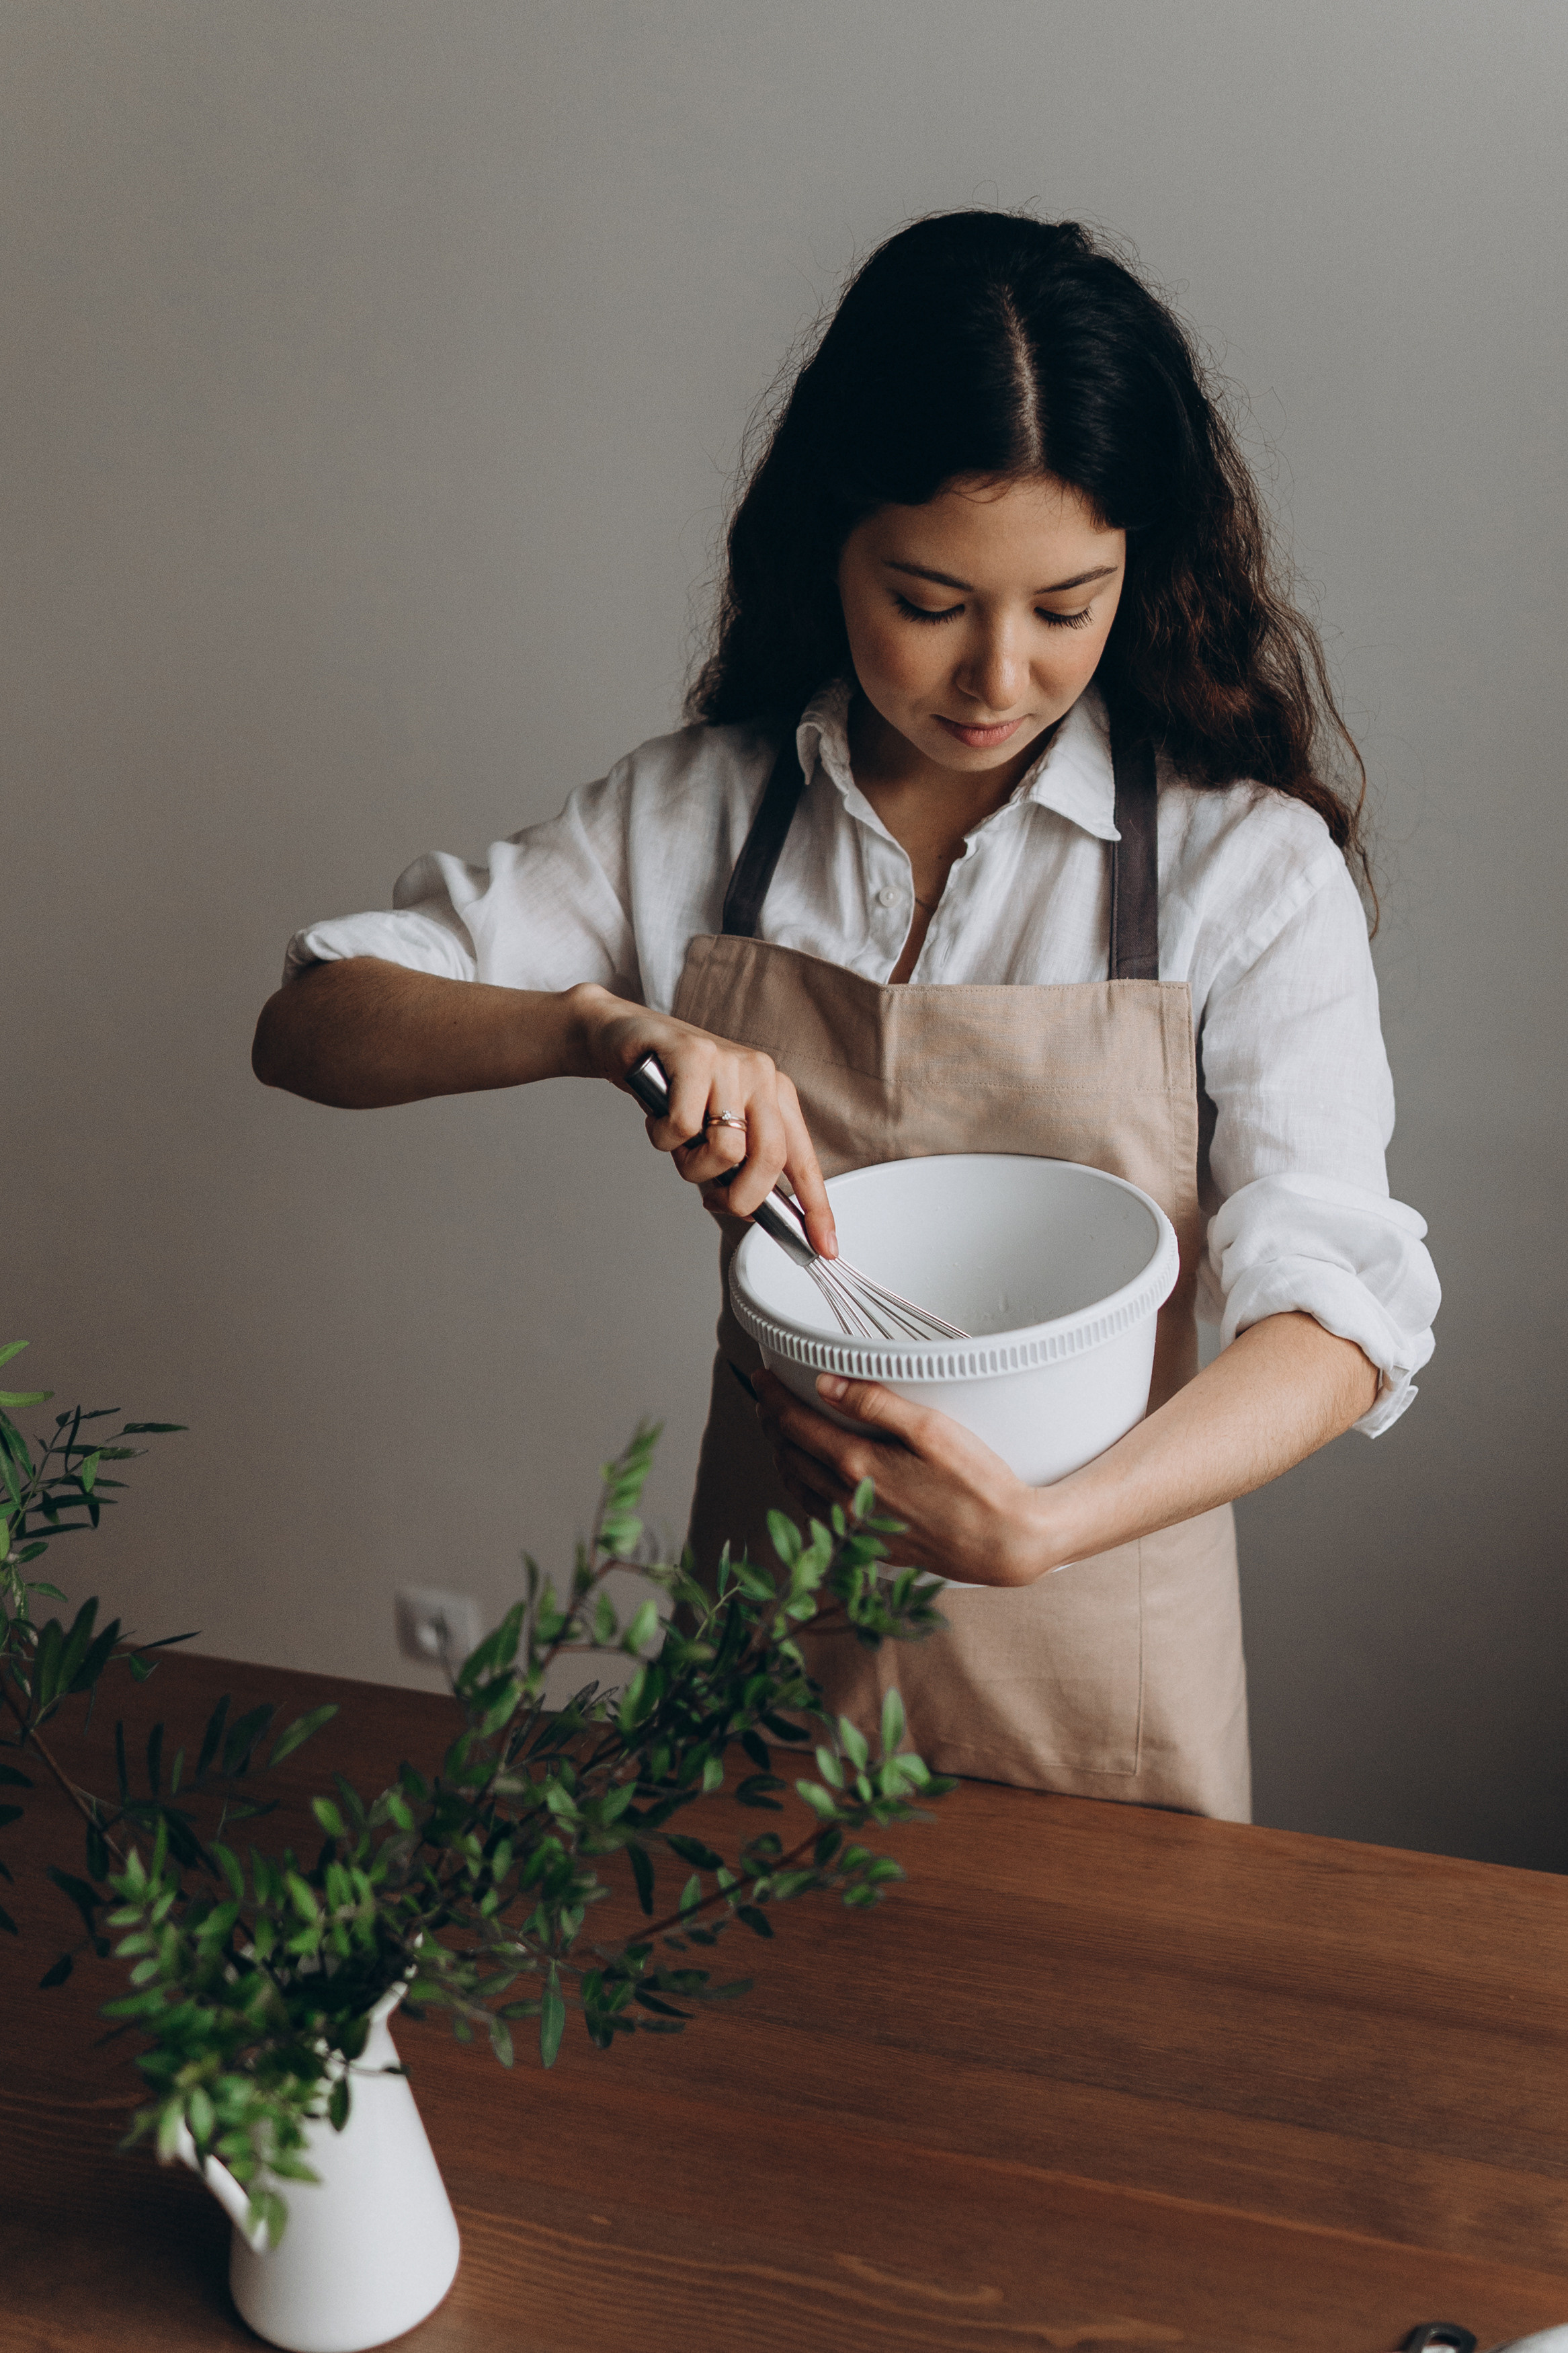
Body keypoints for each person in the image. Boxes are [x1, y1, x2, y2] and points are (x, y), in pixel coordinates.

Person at [253, 212, 1440, 1824]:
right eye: (931, 598)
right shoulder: (698, 815)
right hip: (760, 1673)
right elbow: (311, 1021)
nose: (997, 674)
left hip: (1103, 1687)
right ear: (833, 544)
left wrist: (1045, 1528)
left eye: (1067, 606)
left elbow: (1341, 1319)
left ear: (1140, 574)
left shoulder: (1247, 867)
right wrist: (599, 1028)